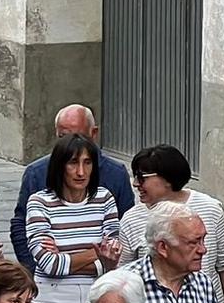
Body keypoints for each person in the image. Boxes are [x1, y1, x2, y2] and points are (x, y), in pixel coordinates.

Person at [25, 133, 122, 303]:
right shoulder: (40, 202)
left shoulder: (104, 199)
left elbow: (114, 258)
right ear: (60, 166)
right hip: (52, 302)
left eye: (87, 163)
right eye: (73, 163)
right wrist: (97, 253)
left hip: (95, 299)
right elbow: (49, 265)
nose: (81, 172)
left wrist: (65, 257)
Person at [9, 104, 138, 266]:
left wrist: (63, 262)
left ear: (94, 133)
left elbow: (124, 233)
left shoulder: (115, 175)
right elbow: (21, 227)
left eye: (78, 136)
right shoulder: (37, 173)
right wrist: (34, 270)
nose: (80, 172)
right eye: (62, 137)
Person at [116, 145, 224, 292]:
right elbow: (122, 274)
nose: (135, 184)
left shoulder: (211, 209)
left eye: (142, 178)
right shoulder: (131, 219)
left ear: (167, 178)